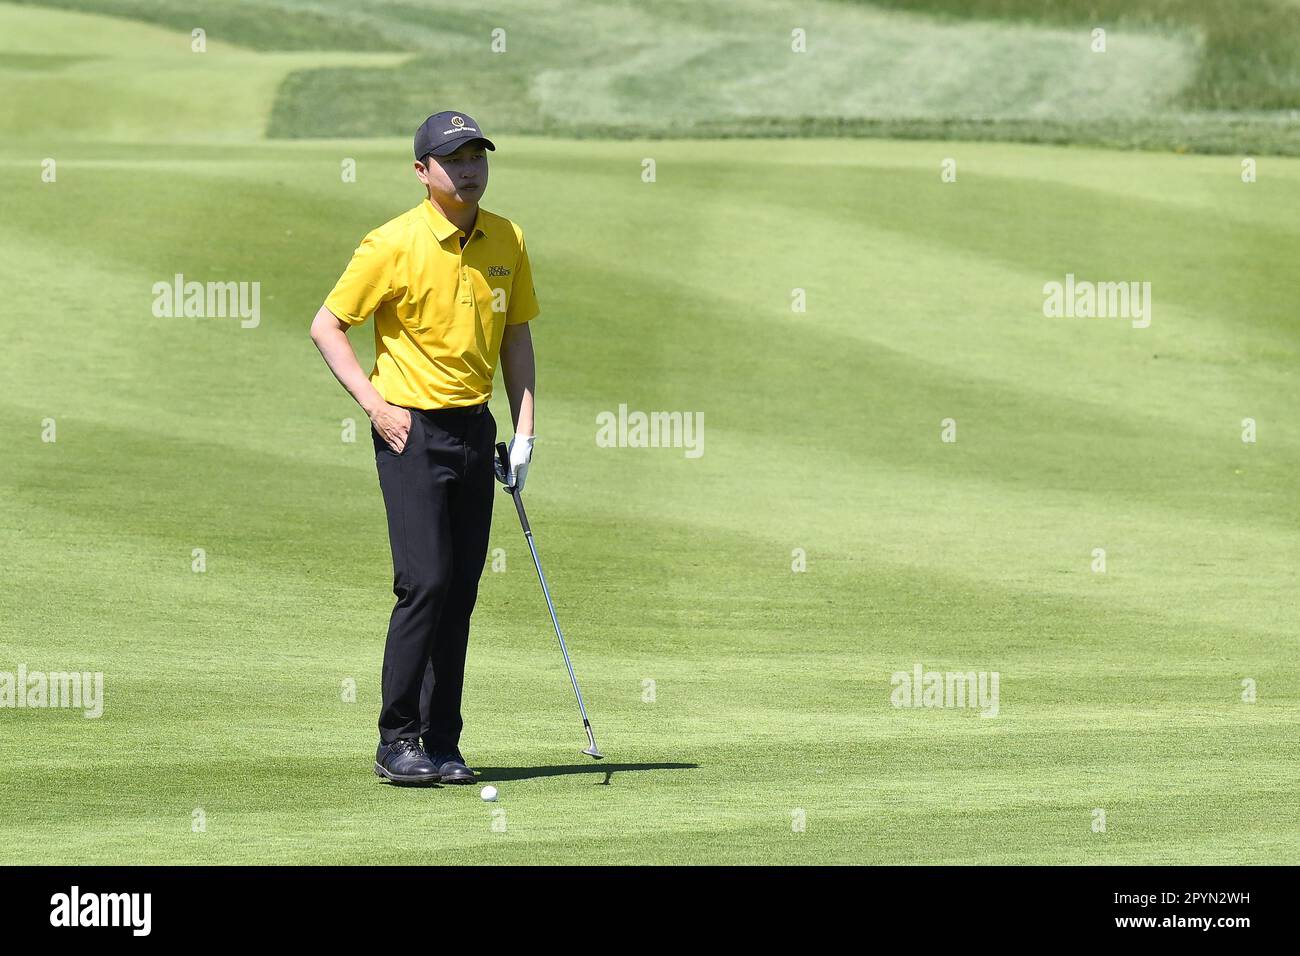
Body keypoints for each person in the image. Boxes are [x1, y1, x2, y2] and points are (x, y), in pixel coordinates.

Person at [310, 110, 539, 785]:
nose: (469, 170)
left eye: (477, 157)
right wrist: (376, 407)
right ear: (422, 171)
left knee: (461, 589)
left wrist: (525, 433)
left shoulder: (507, 238)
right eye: (453, 160)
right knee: (426, 583)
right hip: (411, 428)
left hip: (476, 428)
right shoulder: (391, 243)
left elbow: (517, 337)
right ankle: (396, 739)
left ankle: (442, 741)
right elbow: (327, 326)